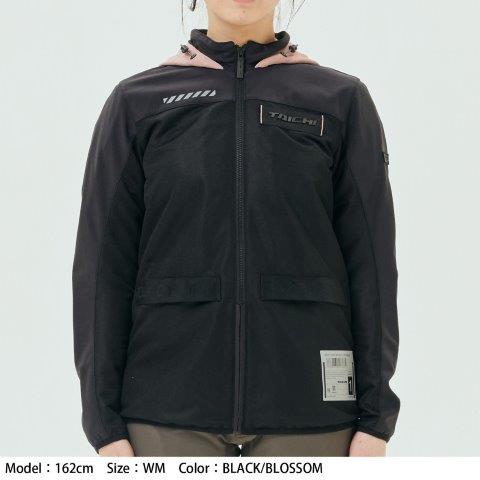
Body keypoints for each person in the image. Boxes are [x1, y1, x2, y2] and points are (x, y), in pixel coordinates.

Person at [73, 0, 399, 457]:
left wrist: (376, 420)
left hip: (310, 410)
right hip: (165, 410)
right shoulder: (137, 102)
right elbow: (102, 267)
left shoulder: (340, 100)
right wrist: (104, 426)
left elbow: (372, 265)